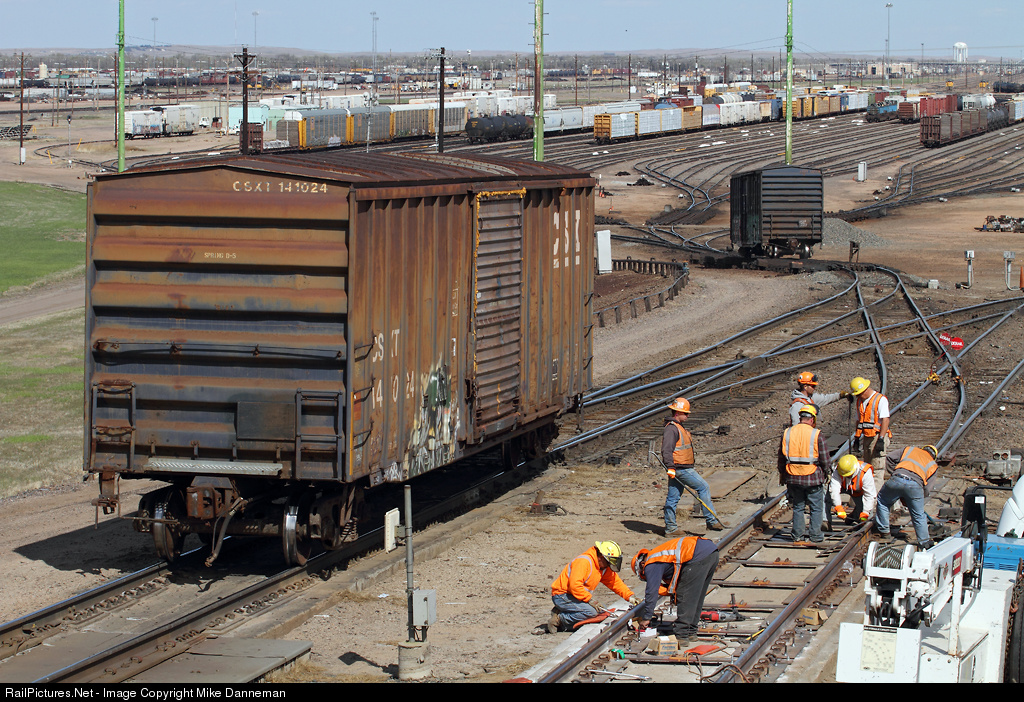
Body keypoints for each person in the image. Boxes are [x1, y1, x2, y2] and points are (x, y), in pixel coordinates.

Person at [631, 535, 720, 646]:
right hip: (711, 552)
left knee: (686, 595)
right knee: (696, 595)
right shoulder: (660, 557)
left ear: (641, 565)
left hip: (697, 554)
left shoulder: (651, 564)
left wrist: (646, 617)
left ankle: (682, 635)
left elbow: (651, 592)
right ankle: (691, 632)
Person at [661, 397, 724, 536]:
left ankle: (670, 528)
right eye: (686, 413)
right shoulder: (672, 429)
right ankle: (711, 521)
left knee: (673, 497)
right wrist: (670, 467)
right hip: (681, 469)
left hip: (678, 468)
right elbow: (666, 450)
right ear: (677, 413)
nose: (688, 416)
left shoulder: (676, 427)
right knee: (703, 487)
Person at [549, 541, 638, 633]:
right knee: (591, 613)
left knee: (602, 610)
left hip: (576, 596)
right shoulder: (584, 562)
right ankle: (559, 618)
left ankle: (566, 614)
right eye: (608, 563)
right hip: (562, 595)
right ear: (601, 557)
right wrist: (590, 600)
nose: (609, 566)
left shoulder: (602, 567)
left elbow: (614, 582)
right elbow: (574, 586)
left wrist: (630, 596)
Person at [778, 404, 831, 544]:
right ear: (812, 419)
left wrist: (782, 474)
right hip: (812, 476)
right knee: (816, 507)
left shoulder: (788, 433)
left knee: (798, 506)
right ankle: (815, 536)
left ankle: (797, 535)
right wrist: (827, 472)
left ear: (801, 417)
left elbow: (781, 457)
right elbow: (825, 458)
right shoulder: (816, 434)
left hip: (793, 476)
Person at [874, 445, 939, 549]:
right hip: (915, 486)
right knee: (919, 514)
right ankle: (924, 542)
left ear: (923, 448)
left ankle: (884, 531)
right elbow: (927, 490)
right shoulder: (933, 465)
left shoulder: (910, 449)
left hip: (897, 478)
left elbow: (889, 457)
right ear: (934, 456)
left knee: (883, 501)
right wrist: (914, 498)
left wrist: (893, 473)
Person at [850, 377, 891, 476]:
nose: (858, 396)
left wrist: (881, 439)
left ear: (865, 390)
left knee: (877, 469)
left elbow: (885, 419)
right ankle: (868, 490)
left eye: (859, 394)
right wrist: (857, 437)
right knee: (867, 468)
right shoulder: (860, 401)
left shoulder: (880, 399)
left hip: (877, 436)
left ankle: (876, 491)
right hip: (867, 437)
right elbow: (859, 420)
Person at [829, 454, 877, 523]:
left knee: (866, 517)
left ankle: (854, 517)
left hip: (859, 492)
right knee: (826, 495)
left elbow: (869, 495)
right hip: (844, 488)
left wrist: (866, 512)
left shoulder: (865, 472)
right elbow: (834, 489)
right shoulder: (839, 469)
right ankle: (825, 521)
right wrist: (838, 506)